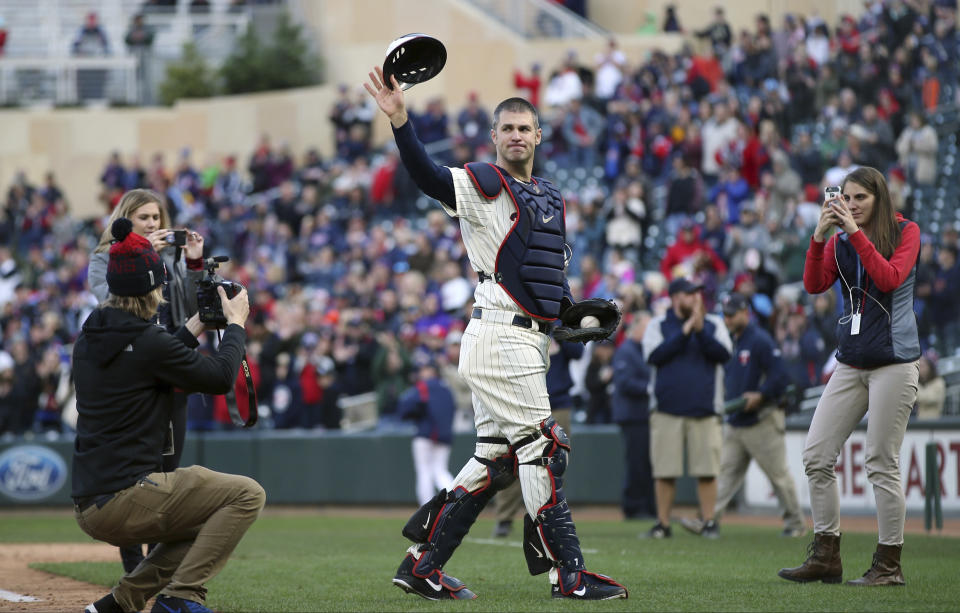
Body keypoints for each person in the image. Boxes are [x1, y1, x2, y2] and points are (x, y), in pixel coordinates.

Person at [364, 66, 627, 600]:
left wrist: (567, 313)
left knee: (497, 460)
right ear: (494, 136)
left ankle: (422, 565)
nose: (514, 136)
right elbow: (428, 176)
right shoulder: (483, 184)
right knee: (544, 448)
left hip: (525, 339)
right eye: (505, 128)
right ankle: (569, 574)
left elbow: (544, 271)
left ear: (537, 135)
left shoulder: (550, 196)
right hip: (501, 338)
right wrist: (400, 122)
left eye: (523, 128)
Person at [75, 218, 263, 613]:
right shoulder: (147, 341)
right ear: (151, 286)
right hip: (127, 495)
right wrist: (235, 327)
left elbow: (146, 361)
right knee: (246, 495)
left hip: (93, 498)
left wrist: (196, 324)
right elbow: (218, 378)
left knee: (206, 521)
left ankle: (119, 603)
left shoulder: (93, 332)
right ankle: (181, 598)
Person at [779, 166, 921, 586]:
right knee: (816, 455)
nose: (852, 205)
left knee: (880, 461)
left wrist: (851, 234)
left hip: (895, 362)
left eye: (861, 198)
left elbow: (889, 278)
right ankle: (826, 555)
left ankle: (888, 565)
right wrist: (820, 236)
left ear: (880, 198)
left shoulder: (906, 231)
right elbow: (813, 284)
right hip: (852, 360)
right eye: (847, 197)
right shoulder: (841, 239)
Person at [88, 188, 206, 573]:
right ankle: (130, 567)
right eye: (144, 219)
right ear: (127, 220)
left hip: (169, 366)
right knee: (129, 474)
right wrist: (145, 256)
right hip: (128, 373)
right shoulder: (103, 258)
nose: (153, 225)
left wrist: (193, 264)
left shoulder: (170, 255)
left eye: (157, 218)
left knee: (167, 475)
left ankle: (155, 571)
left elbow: (189, 311)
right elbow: (115, 304)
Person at [682, 293, 804, 538]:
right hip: (737, 422)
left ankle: (796, 524)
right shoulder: (734, 340)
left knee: (778, 476)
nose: (727, 319)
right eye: (725, 314)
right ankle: (708, 521)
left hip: (762, 420)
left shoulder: (760, 340)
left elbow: (781, 376)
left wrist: (761, 394)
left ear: (745, 312)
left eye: (732, 314)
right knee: (725, 475)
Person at [641, 277, 732, 538]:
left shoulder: (713, 324)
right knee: (665, 471)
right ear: (675, 297)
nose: (695, 298)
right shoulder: (659, 324)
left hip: (705, 408)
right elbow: (654, 356)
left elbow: (724, 355)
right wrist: (685, 331)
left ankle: (709, 522)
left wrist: (700, 329)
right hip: (666, 408)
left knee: (707, 470)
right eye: (689, 293)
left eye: (696, 293)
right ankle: (663, 524)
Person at [490, 338, 583, 537]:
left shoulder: (559, 320)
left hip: (557, 402)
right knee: (514, 460)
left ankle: (551, 517)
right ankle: (504, 518)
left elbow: (577, 352)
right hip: (522, 404)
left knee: (556, 463)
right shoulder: (521, 324)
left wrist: (557, 328)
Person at [612, 313, 656, 520]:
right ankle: (634, 507)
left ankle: (650, 507)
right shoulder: (626, 350)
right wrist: (650, 388)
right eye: (646, 327)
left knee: (648, 463)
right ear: (635, 328)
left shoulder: (643, 350)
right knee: (637, 463)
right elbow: (625, 382)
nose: (649, 333)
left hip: (645, 415)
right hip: (632, 416)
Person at [397, 361, 456, 506]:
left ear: (433, 371)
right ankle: (457, 500)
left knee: (425, 471)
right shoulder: (447, 389)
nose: (422, 372)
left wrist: (415, 414)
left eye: (425, 369)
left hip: (425, 434)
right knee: (440, 471)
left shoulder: (424, 386)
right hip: (445, 435)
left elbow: (405, 407)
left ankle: (426, 507)